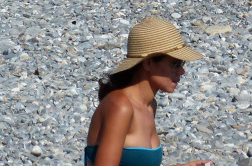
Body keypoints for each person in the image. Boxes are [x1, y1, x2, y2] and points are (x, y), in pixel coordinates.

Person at [84, 16, 212, 166]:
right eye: (176, 64)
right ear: (148, 63)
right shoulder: (120, 106)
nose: (182, 71)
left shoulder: (150, 105)